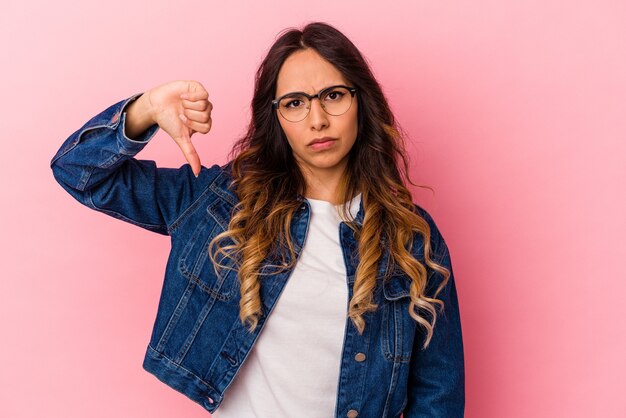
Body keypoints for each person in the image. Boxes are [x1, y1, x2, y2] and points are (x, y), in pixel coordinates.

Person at [50, 21, 464, 418]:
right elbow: (79, 172)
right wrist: (146, 109)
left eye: (334, 95)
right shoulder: (218, 204)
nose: (317, 119)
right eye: (295, 103)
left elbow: (438, 394)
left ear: (361, 101)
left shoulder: (409, 238)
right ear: (277, 118)